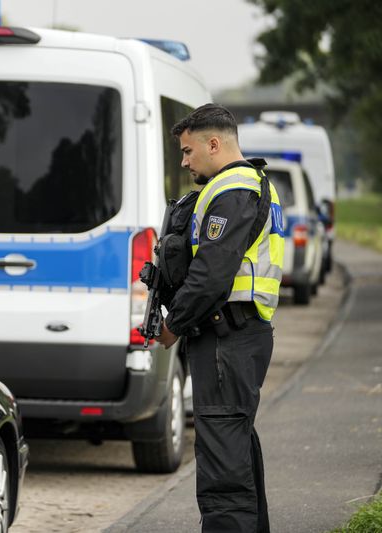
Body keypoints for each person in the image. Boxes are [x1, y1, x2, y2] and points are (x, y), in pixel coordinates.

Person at [156, 103, 284, 532]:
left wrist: (172, 324)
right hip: (238, 335)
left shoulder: (234, 190)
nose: (185, 161)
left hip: (228, 336)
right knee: (236, 448)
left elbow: (211, 275)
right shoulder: (245, 185)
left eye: (189, 151)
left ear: (215, 143)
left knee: (223, 469)